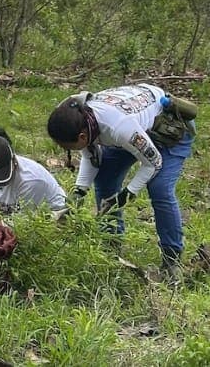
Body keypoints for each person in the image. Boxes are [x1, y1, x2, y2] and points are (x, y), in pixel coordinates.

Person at [46, 84, 196, 279]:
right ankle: (111, 247)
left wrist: (126, 195)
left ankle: (171, 260)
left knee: (159, 188)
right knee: (105, 178)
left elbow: (153, 163)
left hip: (169, 126)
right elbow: (91, 156)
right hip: (135, 127)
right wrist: (79, 192)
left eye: (69, 147)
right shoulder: (74, 116)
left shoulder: (118, 127)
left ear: (82, 136)